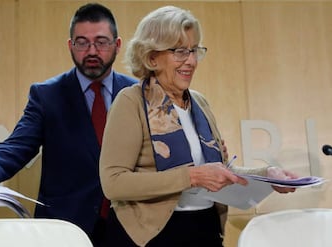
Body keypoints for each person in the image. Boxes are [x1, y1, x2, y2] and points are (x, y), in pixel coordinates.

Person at [99, 6, 297, 247]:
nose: (191, 61)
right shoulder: (131, 101)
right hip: (151, 236)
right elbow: (114, 182)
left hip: (205, 228)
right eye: (180, 51)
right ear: (151, 57)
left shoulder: (199, 102)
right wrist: (191, 177)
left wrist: (267, 176)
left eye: (194, 51)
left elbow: (217, 171)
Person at [0, 3, 137, 246]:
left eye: (101, 42)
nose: (92, 50)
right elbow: (17, 146)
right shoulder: (47, 95)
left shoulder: (138, 94)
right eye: (82, 42)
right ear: (70, 45)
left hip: (129, 227)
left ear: (117, 45)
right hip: (64, 228)